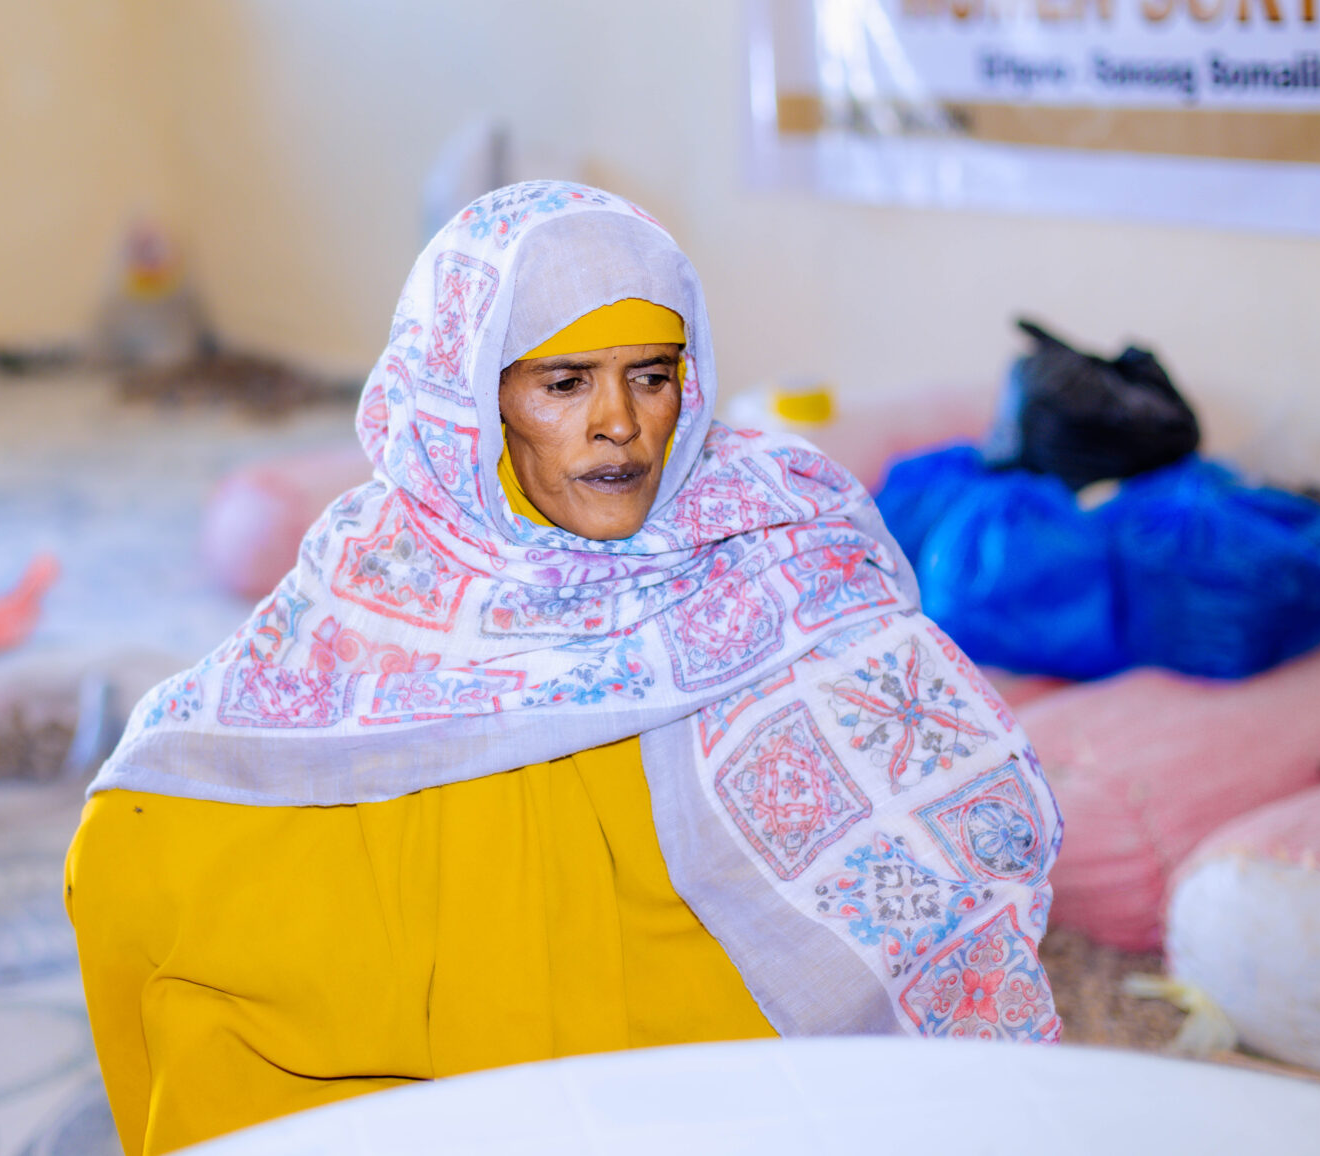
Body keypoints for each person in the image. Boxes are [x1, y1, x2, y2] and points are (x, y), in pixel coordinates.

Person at [66, 182, 1062, 1156]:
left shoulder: (776, 539)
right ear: (473, 397)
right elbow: (206, 765)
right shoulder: (385, 577)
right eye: (564, 381)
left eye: (652, 374)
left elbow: (940, 798)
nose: (619, 423)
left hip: (705, 1043)